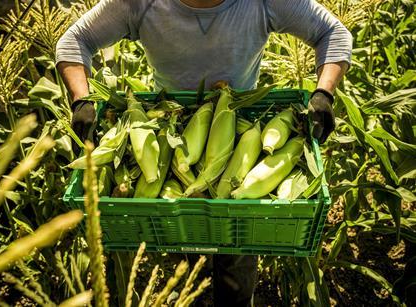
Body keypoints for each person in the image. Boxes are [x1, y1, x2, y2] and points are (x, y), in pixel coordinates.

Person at [56, 0, 352, 306]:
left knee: (237, 246)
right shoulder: (140, 4)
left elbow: (333, 33)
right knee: (183, 241)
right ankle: (189, 290)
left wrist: (324, 92)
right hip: (171, 136)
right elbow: (75, 40)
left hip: (240, 130)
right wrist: (81, 98)